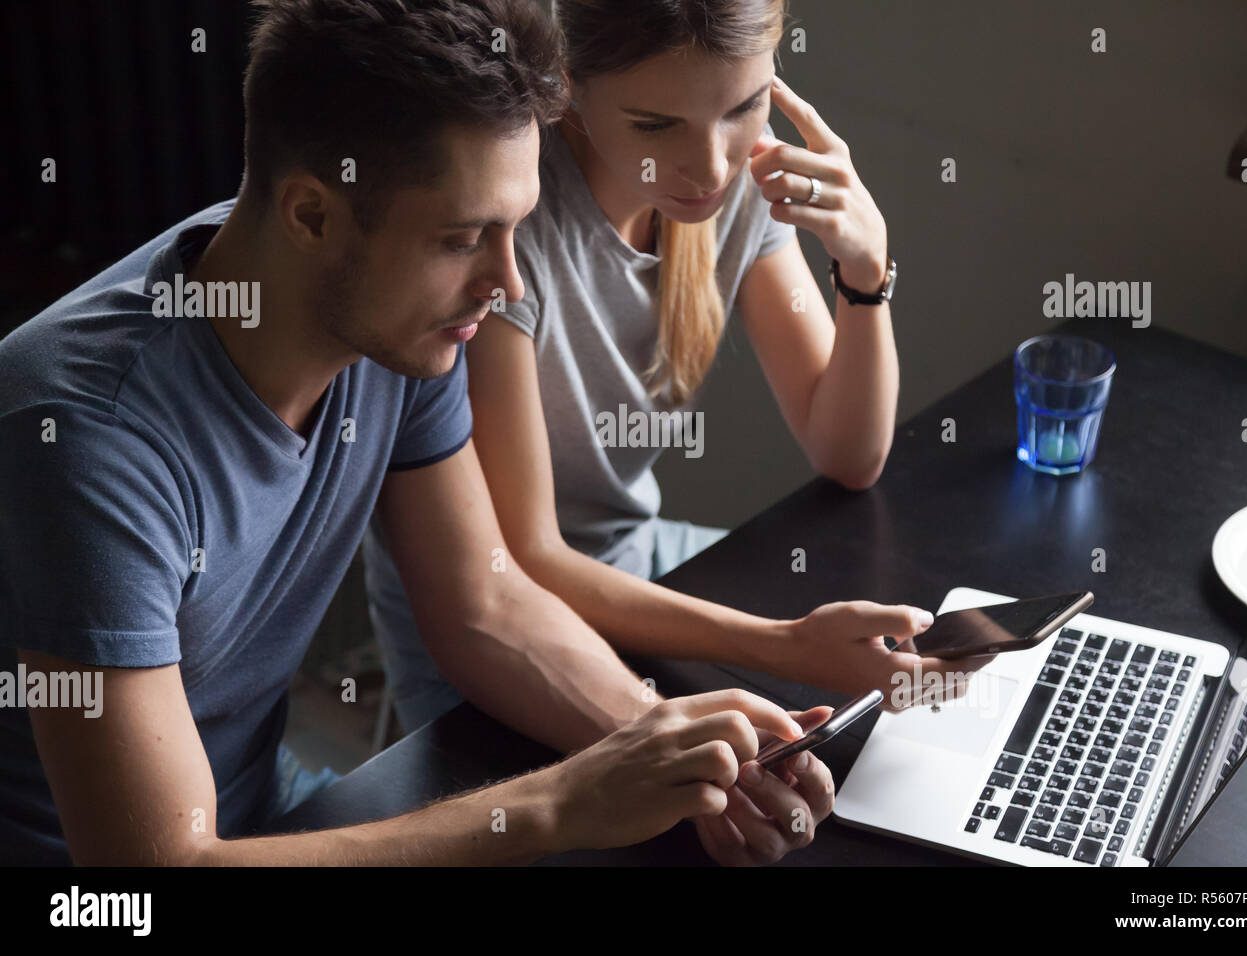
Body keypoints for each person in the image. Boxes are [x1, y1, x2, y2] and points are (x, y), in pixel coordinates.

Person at [0, 0, 845, 867]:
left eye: (513, 229)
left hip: (263, 813)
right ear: (312, 215)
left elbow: (482, 605)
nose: (508, 284)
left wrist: (678, 750)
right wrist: (562, 801)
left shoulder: (390, 319)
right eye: (464, 238)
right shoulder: (86, 446)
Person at [364, 0, 959, 757]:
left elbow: (847, 454)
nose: (709, 166)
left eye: (744, 106)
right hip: (498, 639)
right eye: (655, 126)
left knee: (910, 672)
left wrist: (865, 273)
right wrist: (783, 645)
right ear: (568, 85)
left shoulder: (741, 179)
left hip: (641, 562)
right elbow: (524, 561)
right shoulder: (514, 220)